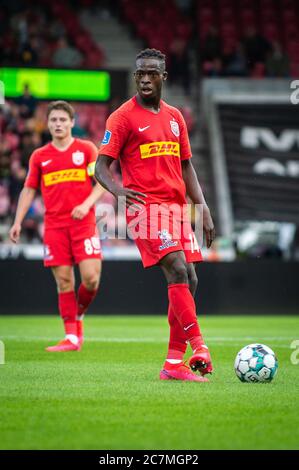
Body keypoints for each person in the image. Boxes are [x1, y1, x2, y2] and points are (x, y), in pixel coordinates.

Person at [95, 49, 215, 382]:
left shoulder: (176, 117)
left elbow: (186, 165)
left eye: (152, 73)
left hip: (176, 209)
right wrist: (119, 192)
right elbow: (100, 167)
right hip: (144, 208)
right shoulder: (121, 117)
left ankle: (173, 365)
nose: (145, 79)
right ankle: (199, 346)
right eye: (140, 74)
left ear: (163, 76)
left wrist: (201, 208)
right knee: (176, 267)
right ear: (135, 77)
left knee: (190, 278)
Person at [9, 100, 104, 352]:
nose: (58, 124)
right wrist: (17, 221)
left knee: (91, 280)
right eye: (54, 120)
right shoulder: (40, 156)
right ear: (47, 124)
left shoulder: (86, 149)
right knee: (64, 281)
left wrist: (86, 204)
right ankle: (71, 337)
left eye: (63, 119)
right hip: (54, 226)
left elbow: (102, 182)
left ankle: (79, 314)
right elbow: (29, 190)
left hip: (84, 224)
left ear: (72, 122)